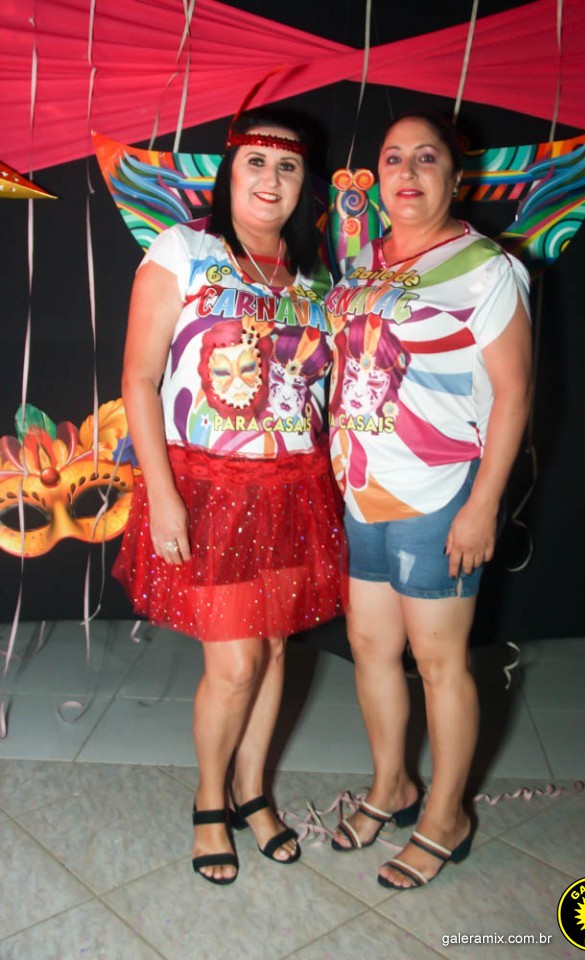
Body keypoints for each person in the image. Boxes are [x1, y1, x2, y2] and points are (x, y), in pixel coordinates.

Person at [113, 108, 347, 885]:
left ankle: (253, 790)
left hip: (296, 489)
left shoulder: (313, 277)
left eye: (288, 167)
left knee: (275, 649)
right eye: (256, 162)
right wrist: (163, 494)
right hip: (210, 489)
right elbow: (139, 379)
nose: (271, 179)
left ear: (305, 183)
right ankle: (210, 798)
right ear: (229, 170)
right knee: (237, 662)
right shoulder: (184, 250)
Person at [327, 112, 532, 890]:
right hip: (363, 490)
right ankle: (394, 785)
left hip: (441, 492)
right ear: (376, 178)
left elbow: (514, 393)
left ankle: (448, 816)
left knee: (440, 660)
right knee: (371, 647)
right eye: (393, 159)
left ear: (455, 175)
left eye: (426, 157)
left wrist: (484, 505)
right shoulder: (363, 264)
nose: (407, 172)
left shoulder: (487, 268)